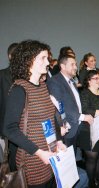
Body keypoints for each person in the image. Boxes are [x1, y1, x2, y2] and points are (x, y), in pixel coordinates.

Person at [3, 40, 66, 187]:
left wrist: (58, 141)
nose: (48, 62)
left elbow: (51, 118)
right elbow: (9, 128)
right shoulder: (19, 89)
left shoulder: (43, 86)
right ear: (28, 61)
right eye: (43, 58)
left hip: (49, 155)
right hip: (32, 159)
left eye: (47, 58)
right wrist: (39, 152)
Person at [47, 54, 94, 151]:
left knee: (74, 157)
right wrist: (83, 117)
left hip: (76, 126)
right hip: (65, 128)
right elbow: (60, 106)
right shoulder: (54, 81)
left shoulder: (72, 81)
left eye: (76, 64)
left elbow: (75, 103)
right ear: (63, 66)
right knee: (67, 161)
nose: (76, 67)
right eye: (72, 64)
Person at [79, 70, 99, 187]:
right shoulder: (84, 93)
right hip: (88, 130)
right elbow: (84, 110)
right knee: (92, 158)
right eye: (95, 78)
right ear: (88, 81)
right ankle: (91, 183)